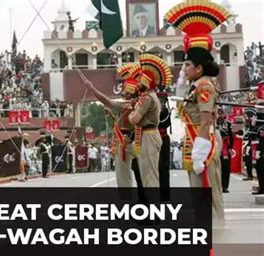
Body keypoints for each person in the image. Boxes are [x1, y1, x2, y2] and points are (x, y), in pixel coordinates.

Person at [165, 0, 229, 221]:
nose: (183, 69)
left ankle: (216, 236)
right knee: (199, 193)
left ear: (199, 67)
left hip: (203, 140)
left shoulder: (203, 86)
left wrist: (201, 154)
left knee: (208, 193)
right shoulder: (197, 84)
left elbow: (205, 121)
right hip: (196, 139)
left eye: (187, 65)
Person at [85, 63, 142, 187]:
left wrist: (92, 89)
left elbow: (106, 100)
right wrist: (111, 115)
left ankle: (127, 197)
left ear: (129, 94)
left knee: (123, 172)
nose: (122, 95)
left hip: (126, 140)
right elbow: (121, 121)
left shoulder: (125, 105)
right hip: (136, 139)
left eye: (124, 93)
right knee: (141, 171)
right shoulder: (138, 103)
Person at [128, 54, 171, 188]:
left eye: (140, 80)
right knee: (147, 174)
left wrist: (131, 113)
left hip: (148, 136)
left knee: (149, 176)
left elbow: (134, 119)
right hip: (148, 135)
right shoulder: (150, 96)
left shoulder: (146, 98)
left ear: (145, 82)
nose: (138, 84)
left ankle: (153, 206)